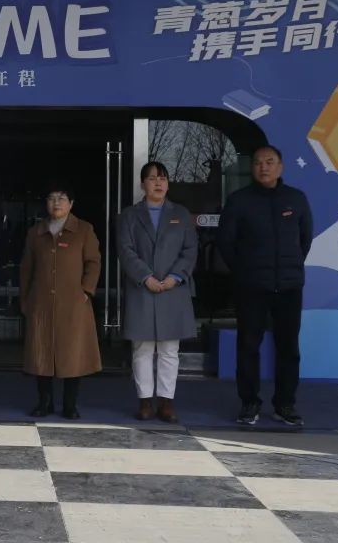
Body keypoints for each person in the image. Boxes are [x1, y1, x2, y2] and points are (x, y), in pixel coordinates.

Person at [218, 145, 312, 427]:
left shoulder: (296, 199)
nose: (264, 167)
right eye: (258, 162)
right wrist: (244, 272)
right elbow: (226, 242)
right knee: (248, 346)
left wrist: (289, 268)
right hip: (252, 288)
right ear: (252, 168)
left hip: (289, 287)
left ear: (280, 167)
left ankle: (285, 404)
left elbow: (305, 240)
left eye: (270, 162)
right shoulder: (239, 201)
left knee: (288, 348)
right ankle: (249, 403)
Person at [117, 162, 198, 423]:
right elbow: (126, 251)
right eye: (152, 178)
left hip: (173, 290)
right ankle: (144, 401)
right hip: (142, 289)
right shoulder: (129, 215)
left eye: (162, 178)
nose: (158, 183)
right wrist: (145, 277)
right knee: (142, 348)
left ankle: (166, 402)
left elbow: (190, 250)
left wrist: (175, 277)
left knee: (169, 350)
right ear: (143, 184)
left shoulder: (181, 214)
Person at [20, 184, 101, 419]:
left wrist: (85, 291)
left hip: (74, 304)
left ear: (71, 204)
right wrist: (25, 299)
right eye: (52, 198)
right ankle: (44, 403)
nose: (57, 202)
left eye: (62, 198)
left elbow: (93, 262)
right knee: (41, 354)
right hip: (41, 303)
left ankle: (69, 405)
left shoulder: (84, 229)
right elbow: (26, 268)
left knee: (72, 354)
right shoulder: (36, 232)